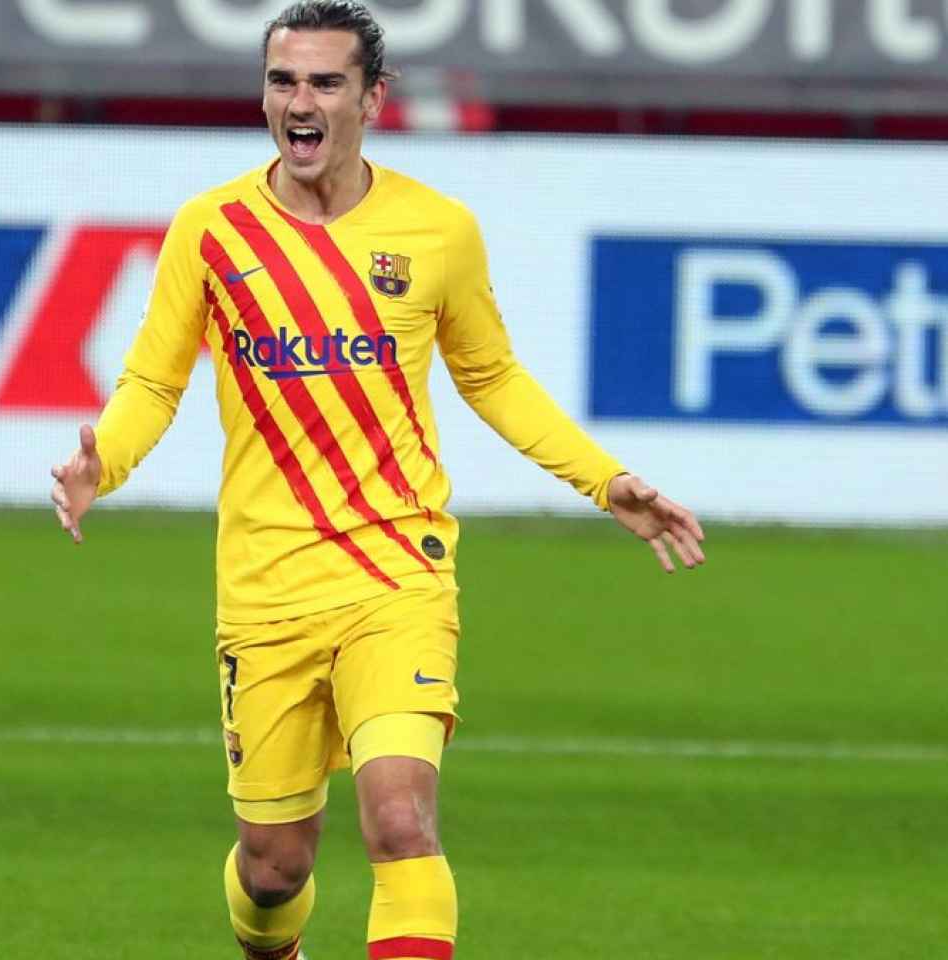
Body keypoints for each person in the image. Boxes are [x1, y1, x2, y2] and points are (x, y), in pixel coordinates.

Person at [49, 2, 705, 958]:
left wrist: (606, 482)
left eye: (324, 83)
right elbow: (154, 378)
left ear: (373, 99)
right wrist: (103, 460)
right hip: (265, 586)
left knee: (401, 821)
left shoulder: (437, 231)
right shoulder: (213, 231)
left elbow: (492, 377)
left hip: (398, 572)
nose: (299, 102)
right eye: (283, 81)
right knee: (275, 865)